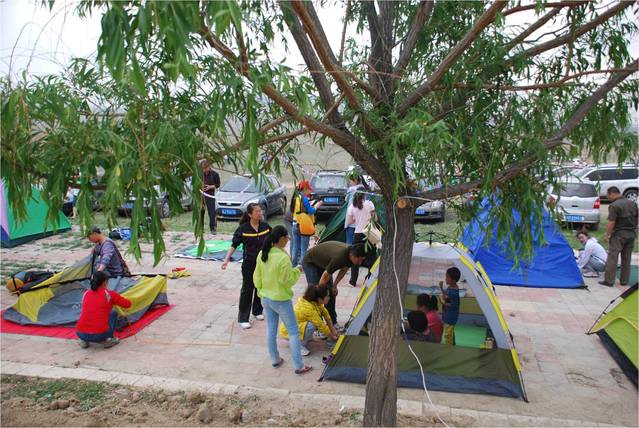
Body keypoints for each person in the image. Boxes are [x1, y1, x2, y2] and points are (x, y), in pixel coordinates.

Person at [253, 226, 312, 375]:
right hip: (281, 300)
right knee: (293, 332)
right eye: (287, 237)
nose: (288, 240)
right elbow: (287, 281)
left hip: (265, 298)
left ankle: (275, 359)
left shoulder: (263, 253)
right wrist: (297, 270)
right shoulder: (282, 258)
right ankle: (299, 366)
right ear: (281, 239)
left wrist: (261, 292)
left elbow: (256, 277)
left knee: (271, 329)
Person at [222, 203, 271, 329]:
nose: (260, 213)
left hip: (263, 263)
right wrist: (226, 259)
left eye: (260, 211)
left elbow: (273, 242)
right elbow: (234, 245)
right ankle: (243, 318)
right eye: (257, 211)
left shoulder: (265, 227)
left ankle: (257, 311)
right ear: (250, 214)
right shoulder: (243, 229)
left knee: (260, 287)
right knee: (247, 289)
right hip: (249, 264)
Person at [302, 242, 367, 327]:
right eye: (360, 259)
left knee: (330, 294)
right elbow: (325, 276)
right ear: (352, 255)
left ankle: (333, 322)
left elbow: (344, 269)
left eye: (362, 260)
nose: (360, 263)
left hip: (323, 265)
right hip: (310, 262)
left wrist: (334, 286)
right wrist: (321, 292)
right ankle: (318, 326)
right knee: (317, 295)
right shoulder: (340, 257)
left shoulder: (351, 255)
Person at [76, 271, 132, 349]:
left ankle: (83, 340)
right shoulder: (109, 294)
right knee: (113, 313)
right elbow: (128, 304)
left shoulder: (86, 294)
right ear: (105, 282)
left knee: (90, 313)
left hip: (80, 333)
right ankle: (107, 340)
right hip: (99, 335)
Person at [280, 284, 339, 356]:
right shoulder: (308, 308)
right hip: (287, 331)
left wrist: (333, 330)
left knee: (313, 323)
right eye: (327, 296)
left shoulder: (315, 302)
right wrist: (332, 337)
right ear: (319, 299)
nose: (329, 298)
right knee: (313, 325)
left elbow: (326, 314)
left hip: (294, 326)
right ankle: (298, 346)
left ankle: (305, 338)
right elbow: (321, 325)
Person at [600, 187, 638, 287]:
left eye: (608, 195)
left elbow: (611, 222)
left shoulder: (614, 205)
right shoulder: (633, 203)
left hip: (619, 235)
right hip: (631, 234)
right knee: (627, 258)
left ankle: (609, 280)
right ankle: (624, 280)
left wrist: (607, 234)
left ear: (612, 193)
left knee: (613, 257)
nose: (607, 198)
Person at [346, 192, 376, 286]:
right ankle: (369, 280)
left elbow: (349, 222)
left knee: (355, 257)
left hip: (358, 234)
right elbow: (375, 218)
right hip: (369, 233)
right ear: (364, 195)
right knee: (371, 258)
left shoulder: (352, 206)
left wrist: (357, 219)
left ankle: (353, 281)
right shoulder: (370, 204)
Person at [290, 180, 322, 267]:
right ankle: (304, 266)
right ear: (305, 189)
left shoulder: (295, 197)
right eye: (309, 190)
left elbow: (295, 209)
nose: (309, 192)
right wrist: (317, 206)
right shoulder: (304, 198)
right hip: (303, 225)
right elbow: (311, 211)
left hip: (294, 223)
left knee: (295, 246)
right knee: (304, 248)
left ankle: (293, 265)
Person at [439, 267, 461, 345]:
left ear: (453, 280)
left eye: (447, 277)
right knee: (450, 333)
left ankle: (449, 348)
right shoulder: (451, 287)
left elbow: (453, 305)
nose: (446, 279)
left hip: (451, 317)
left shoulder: (454, 292)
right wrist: (441, 288)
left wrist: (443, 302)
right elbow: (446, 296)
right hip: (448, 314)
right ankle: (453, 344)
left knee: (448, 335)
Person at [199, 159, 221, 236]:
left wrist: (210, 187)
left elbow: (218, 184)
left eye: (206, 168)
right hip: (200, 195)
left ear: (209, 166)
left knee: (212, 213)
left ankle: (213, 229)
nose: (205, 170)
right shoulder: (199, 174)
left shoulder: (215, 174)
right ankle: (200, 228)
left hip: (210, 195)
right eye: (203, 168)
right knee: (201, 211)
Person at [344, 174, 364, 245]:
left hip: (351, 224)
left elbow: (346, 199)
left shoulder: (351, 189)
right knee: (358, 243)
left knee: (349, 242)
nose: (350, 183)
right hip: (361, 225)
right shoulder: (364, 190)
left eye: (350, 181)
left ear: (355, 181)